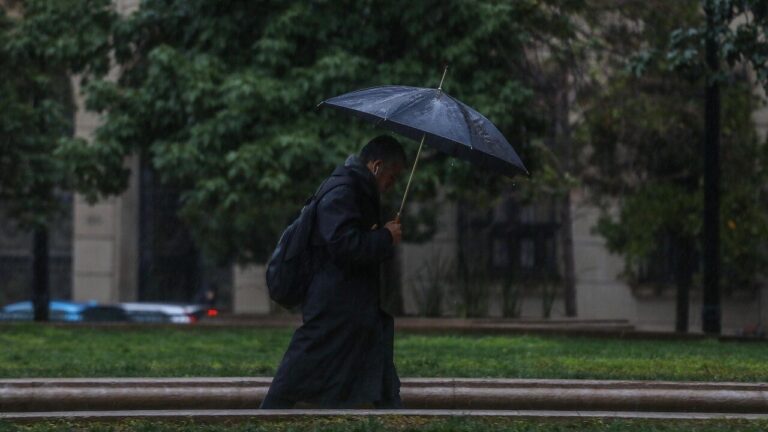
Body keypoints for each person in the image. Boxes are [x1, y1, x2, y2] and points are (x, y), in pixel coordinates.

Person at [260, 135, 406, 409]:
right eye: (392, 177)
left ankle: (392, 412)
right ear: (376, 166)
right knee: (301, 366)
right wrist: (385, 237)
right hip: (334, 304)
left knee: (376, 360)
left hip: (350, 306)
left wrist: (377, 235)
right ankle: (266, 416)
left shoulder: (354, 190)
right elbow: (343, 244)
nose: (391, 186)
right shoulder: (344, 191)